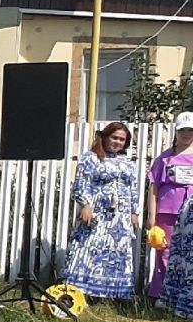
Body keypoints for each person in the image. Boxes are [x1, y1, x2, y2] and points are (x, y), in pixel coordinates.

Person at [62, 120, 140, 301]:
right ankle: (80, 292)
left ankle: (110, 295)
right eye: (115, 137)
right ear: (105, 137)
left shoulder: (127, 163)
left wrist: (134, 212)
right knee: (89, 250)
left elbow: (132, 188)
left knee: (116, 254)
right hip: (98, 215)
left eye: (122, 140)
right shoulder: (91, 158)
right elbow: (81, 183)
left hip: (120, 220)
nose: (118, 142)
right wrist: (85, 205)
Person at [145, 112, 193, 303]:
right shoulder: (165, 158)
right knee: (165, 252)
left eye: (191, 130)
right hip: (168, 212)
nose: (187, 134)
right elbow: (154, 186)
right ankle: (162, 295)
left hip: (191, 213)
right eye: (183, 130)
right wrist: (151, 215)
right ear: (176, 131)